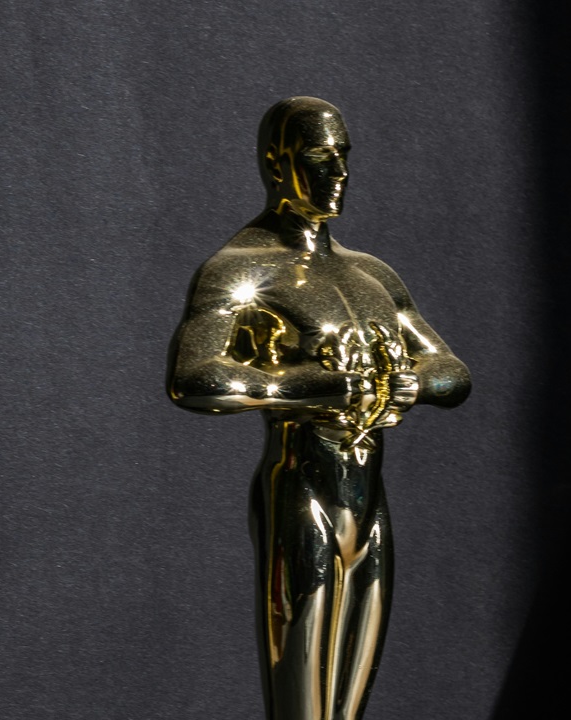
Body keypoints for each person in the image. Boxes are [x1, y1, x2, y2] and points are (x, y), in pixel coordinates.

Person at [166, 97, 470, 720]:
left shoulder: (371, 274)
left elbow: (452, 370)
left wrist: (414, 383)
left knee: (351, 703)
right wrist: (309, 385)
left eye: (343, 156)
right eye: (319, 157)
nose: (339, 172)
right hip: (300, 489)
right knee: (300, 704)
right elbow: (194, 377)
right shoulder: (241, 270)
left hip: (368, 497)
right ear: (277, 162)